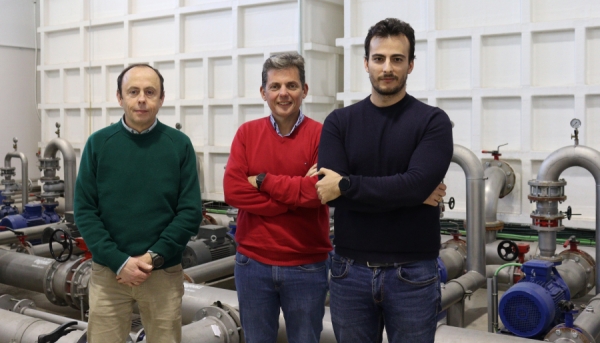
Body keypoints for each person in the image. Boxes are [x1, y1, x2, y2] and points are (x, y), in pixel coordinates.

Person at [315, 18, 453, 343]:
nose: (387, 67)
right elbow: (329, 194)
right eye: (379, 59)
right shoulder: (339, 122)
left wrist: (348, 184)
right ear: (366, 63)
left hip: (413, 273)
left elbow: (416, 184)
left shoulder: (432, 121)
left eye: (397, 59)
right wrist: (406, 192)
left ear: (411, 65)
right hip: (349, 273)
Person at [74, 64, 202, 342]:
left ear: (161, 98)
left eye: (149, 92)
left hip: (163, 274)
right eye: (133, 91)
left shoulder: (179, 145)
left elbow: (190, 212)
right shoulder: (98, 144)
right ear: (120, 98)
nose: (141, 98)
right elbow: (85, 211)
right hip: (109, 274)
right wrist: (119, 261)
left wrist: (152, 258)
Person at [223, 52, 331, 343]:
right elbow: (233, 190)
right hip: (253, 264)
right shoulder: (247, 134)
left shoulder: (323, 136)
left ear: (304, 90)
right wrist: (293, 196)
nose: (283, 93)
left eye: (292, 85)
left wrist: (262, 180)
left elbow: (318, 193)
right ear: (263, 92)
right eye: (275, 86)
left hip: (306, 265)